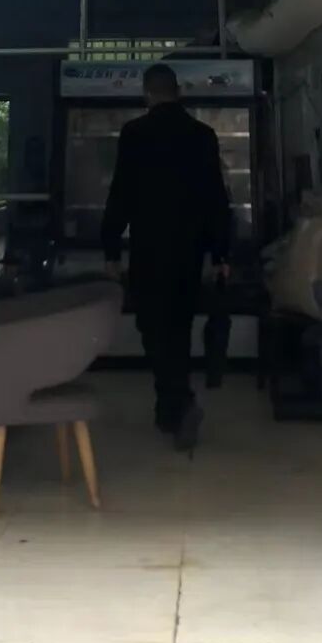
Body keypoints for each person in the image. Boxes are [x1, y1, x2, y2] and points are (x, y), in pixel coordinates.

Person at [102, 63, 232, 452]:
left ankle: (179, 403)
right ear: (178, 91)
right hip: (190, 251)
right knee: (179, 327)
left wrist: (111, 248)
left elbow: (121, 193)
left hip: (149, 249)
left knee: (153, 328)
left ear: (147, 93)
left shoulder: (135, 133)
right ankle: (170, 408)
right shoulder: (203, 135)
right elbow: (216, 198)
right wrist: (221, 252)